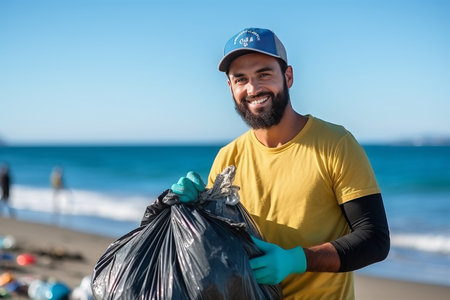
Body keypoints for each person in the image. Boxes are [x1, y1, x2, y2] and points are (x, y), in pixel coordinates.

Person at [171, 28, 390, 299]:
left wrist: (297, 260)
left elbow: (374, 240)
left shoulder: (336, 144)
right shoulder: (228, 158)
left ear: (288, 76)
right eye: (241, 79)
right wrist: (191, 208)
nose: (253, 89)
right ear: (230, 87)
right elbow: (218, 247)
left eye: (264, 74)